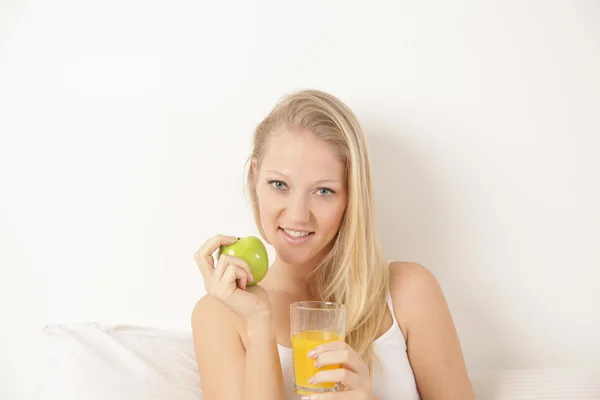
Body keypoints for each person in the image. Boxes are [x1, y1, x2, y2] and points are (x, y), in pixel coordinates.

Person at [191, 89, 474, 400]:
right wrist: (259, 324)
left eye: (323, 191)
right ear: (255, 177)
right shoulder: (220, 315)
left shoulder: (408, 292)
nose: (297, 215)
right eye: (279, 184)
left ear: (351, 195)